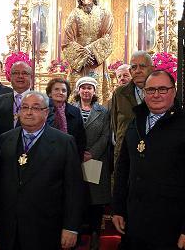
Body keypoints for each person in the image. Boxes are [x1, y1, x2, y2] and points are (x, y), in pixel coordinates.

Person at [112, 70, 185, 250]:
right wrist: (118, 208)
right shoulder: (135, 122)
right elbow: (123, 168)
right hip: (136, 224)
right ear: (144, 93)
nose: (156, 95)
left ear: (173, 92)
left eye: (163, 89)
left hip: (172, 227)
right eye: (151, 90)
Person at [0, 91, 84, 250]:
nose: (29, 112)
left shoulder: (64, 142)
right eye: (24, 107)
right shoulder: (4, 140)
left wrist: (71, 227)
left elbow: (74, 189)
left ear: (46, 112)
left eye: (35, 108)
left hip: (46, 228)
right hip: (9, 228)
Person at [73, 77, 111, 250]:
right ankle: (78, 232)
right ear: (78, 90)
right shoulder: (70, 109)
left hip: (95, 159)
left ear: (95, 91)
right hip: (75, 158)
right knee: (77, 197)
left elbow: (106, 135)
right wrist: (78, 153)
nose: (86, 91)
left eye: (90, 88)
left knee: (95, 200)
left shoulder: (102, 111)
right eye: (83, 88)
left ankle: (95, 233)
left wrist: (92, 153)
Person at [63, 0, 114, 102]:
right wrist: (82, 55)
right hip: (78, 61)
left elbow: (108, 37)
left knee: (97, 96)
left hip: (96, 60)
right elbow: (67, 39)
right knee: (76, 96)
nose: (85, 2)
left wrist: (90, 50)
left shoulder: (104, 13)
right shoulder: (74, 14)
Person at [110, 51, 154, 164]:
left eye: (142, 66)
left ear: (152, 69)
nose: (138, 71)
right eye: (134, 67)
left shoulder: (160, 92)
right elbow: (115, 124)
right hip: (125, 153)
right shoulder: (120, 93)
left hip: (153, 151)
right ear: (130, 71)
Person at [46, 77, 86, 159]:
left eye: (64, 90)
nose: (60, 92)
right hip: (46, 155)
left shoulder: (75, 111)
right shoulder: (42, 109)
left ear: (67, 94)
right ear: (50, 93)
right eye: (56, 89)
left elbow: (81, 138)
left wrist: (78, 157)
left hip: (69, 156)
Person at [0, 61, 32, 134]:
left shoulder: (42, 101)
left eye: (24, 73)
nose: (20, 76)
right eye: (16, 73)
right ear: (10, 76)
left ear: (31, 77)